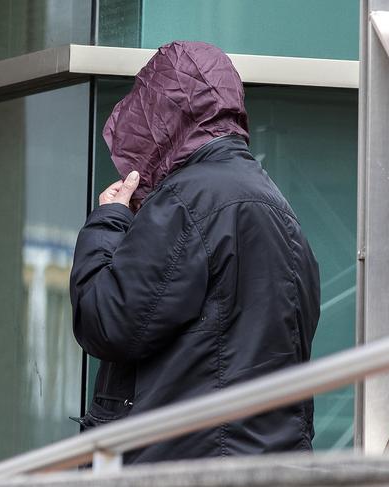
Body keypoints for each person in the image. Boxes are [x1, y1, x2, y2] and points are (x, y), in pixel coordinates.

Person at [69, 41, 320, 463]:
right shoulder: (278, 206)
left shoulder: (188, 199)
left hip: (184, 461)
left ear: (162, 114)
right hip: (267, 464)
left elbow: (106, 320)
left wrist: (109, 220)